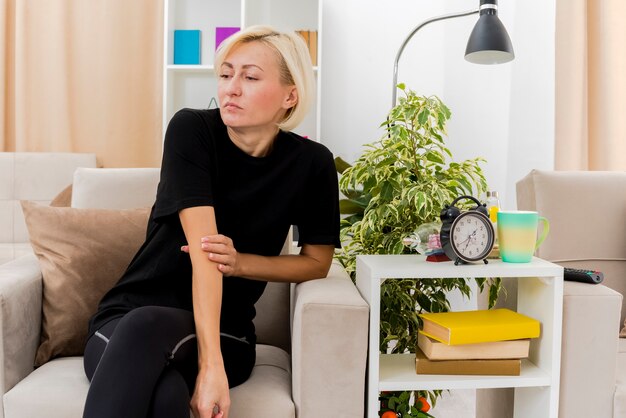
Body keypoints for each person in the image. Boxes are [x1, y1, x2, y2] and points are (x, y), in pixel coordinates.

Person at [82, 25, 340, 418]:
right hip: (125, 321)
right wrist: (209, 370)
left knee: (149, 333)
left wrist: (241, 264)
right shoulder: (192, 130)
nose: (231, 88)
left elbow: (317, 263)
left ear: (291, 94)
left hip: (228, 331)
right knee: (164, 389)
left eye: (250, 77)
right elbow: (204, 254)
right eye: (225, 74)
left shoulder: (313, 163)